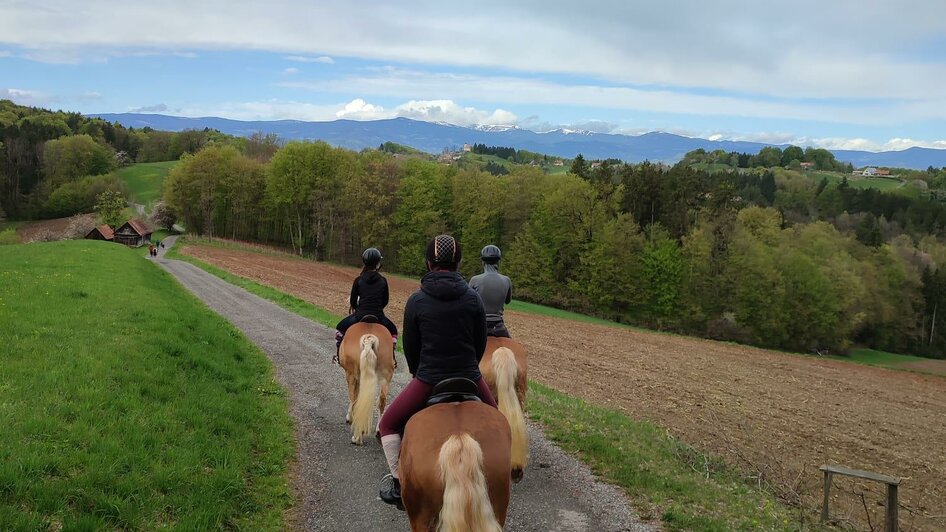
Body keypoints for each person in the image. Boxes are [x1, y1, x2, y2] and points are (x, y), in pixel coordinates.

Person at [377, 234, 498, 509]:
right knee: (502, 424)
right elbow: (480, 344)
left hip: (429, 379)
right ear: (458, 262)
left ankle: (399, 484)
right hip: (470, 377)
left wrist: (420, 373)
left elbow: (411, 347)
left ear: (429, 263)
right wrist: (469, 369)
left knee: (387, 424)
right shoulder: (473, 299)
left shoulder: (417, 300)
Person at [333, 247, 398, 364]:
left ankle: (338, 355)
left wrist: (358, 309)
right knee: (394, 331)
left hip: (359, 314)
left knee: (340, 329)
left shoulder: (358, 280)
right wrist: (378, 308)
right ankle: (392, 358)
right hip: (379, 315)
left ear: (364, 262)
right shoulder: (383, 280)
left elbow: (353, 301)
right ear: (378, 263)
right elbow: (385, 300)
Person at [469, 244, 513, 338]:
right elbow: (508, 301)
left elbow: (469, 302)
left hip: (479, 326)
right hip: (499, 327)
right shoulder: (507, 280)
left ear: (482, 261)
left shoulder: (474, 280)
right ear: (498, 262)